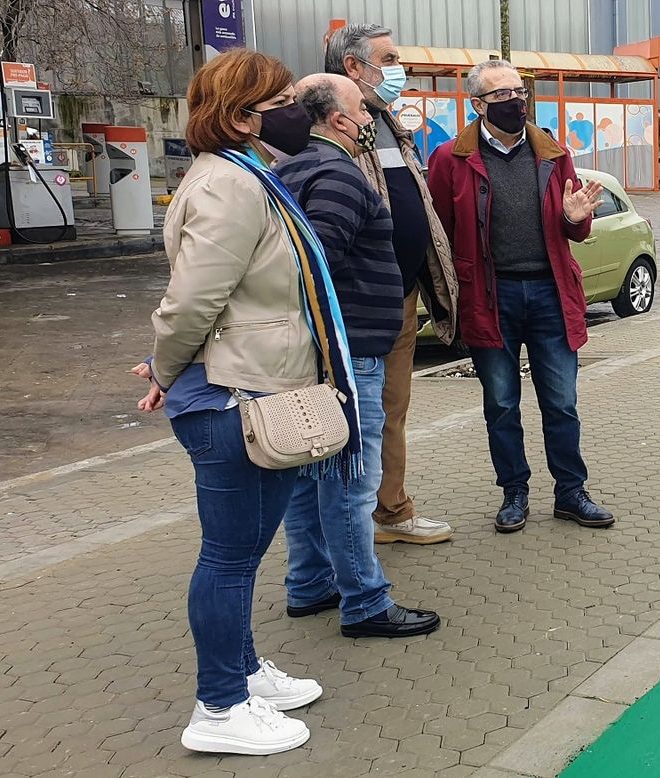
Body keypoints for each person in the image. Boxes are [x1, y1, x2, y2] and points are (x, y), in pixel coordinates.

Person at [139, 48, 325, 756]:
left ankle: (244, 673)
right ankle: (219, 707)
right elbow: (193, 300)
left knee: (240, 553)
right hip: (232, 397)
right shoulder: (229, 184)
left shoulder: (245, 174)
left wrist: (169, 365)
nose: (297, 111)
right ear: (243, 116)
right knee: (228, 557)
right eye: (282, 101)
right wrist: (166, 367)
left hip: (248, 386)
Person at [274, 74, 440, 639]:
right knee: (350, 478)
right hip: (349, 352)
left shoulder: (290, 169)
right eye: (363, 111)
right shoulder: (337, 173)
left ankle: (309, 583)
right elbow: (315, 260)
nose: (371, 119)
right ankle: (365, 602)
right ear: (339, 119)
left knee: (309, 472)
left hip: (320, 350)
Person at [425, 59, 615, 533]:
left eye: (519, 92)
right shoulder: (450, 159)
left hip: (551, 293)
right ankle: (514, 492)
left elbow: (575, 226)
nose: (515, 101)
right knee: (502, 404)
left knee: (562, 402)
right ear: (478, 105)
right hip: (490, 298)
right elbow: (440, 233)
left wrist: (575, 217)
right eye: (502, 95)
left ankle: (571, 492)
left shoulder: (553, 153)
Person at [325, 22, 460, 545]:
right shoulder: (331, 131)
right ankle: (351, 529)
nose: (399, 70)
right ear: (353, 67)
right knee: (356, 417)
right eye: (389, 59)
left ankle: (391, 512)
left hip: (401, 297)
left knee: (391, 411)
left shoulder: (386, 124)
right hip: (358, 307)